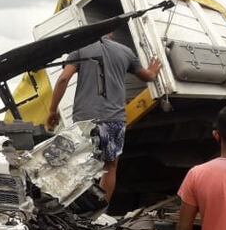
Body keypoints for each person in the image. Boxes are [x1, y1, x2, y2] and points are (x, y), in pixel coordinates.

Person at [46, 34, 160, 203]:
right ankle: (100, 209)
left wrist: (52, 110)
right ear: (111, 33)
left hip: (85, 121)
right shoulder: (126, 52)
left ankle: (74, 208)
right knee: (109, 167)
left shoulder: (80, 49)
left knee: (79, 165)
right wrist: (153, 70)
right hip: (114, 120)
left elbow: (63, 79)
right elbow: (148, 77)